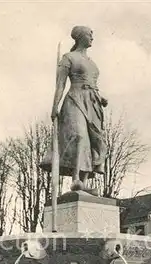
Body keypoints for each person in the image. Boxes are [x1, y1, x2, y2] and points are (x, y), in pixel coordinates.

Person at [41, 26, 108, 192]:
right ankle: (76, 178)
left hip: (92, 103)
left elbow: (93, 85)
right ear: (80, 37)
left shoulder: (92, 63)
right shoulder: (68, 57)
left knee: (92, 141)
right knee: (78, 136)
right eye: (89, 34)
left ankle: (83, 183)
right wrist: (54, 106)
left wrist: (100, 98)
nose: (92, 37)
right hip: (75, 99)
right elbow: (60, 84)